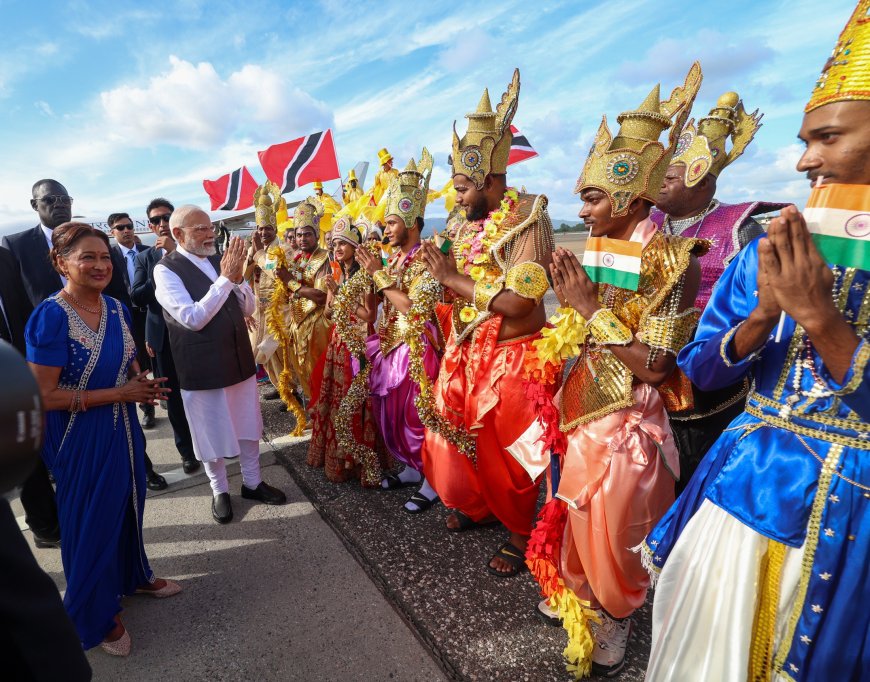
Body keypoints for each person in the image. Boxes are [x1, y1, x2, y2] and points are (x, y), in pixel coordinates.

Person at [644, 5, 869, 680]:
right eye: (805, 139)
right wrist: (763, 316)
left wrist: (824, 322)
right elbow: (699, 372)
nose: (805, 159)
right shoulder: (764, 254)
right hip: (744, 487)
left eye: (828, 138)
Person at [524, 64, 704, 678]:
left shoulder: (675, 260)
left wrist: (588, 310)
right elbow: (577, 336)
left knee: (620, 524)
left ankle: (617, 615)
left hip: (630, 419)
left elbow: (654, 368)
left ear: (629, 195)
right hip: (582, 407)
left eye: (593, 196)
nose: (584, 206)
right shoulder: (598, 244)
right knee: (572, 511)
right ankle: (580, 598)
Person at [418, 69, 556, 575]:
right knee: (453, 443)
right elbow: (441, 282)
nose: (455, 199)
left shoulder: (529, 215)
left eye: (461, 188)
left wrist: (451, 279)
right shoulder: (459, 223)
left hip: (513, 360)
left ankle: (522, 532)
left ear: (491, 179)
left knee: (509, 458)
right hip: (464, 351)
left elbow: (521, 303)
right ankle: (481, 509)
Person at [25, 222, 181, 656]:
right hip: (78, 434)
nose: (99, 265)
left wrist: (140, 380)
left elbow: (128, 357)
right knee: (89, 519)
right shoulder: (50, 316)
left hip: (123, 426)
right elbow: (44, 396)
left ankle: (134, 575)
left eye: (105, 257)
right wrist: (121, 393)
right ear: (61, 263)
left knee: (129, 500)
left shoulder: (114, 307)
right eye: (87, 257)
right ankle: (96, 613)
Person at [653, 92, 787, 491]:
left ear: (702, 180)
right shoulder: (649, 222)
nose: (659, 185)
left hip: (710, 376)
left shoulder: (739, 225)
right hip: (649, 366)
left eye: (670, 178)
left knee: (699, 468)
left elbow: (757, 302)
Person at [2, 180, 127, 547]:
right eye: (49, 200)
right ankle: (51, 526)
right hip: (46, 369)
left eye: (64, 199)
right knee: (50, 463)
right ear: (33, 204)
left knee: (118, 477)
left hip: (102, 363)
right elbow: (18, 311)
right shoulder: (15, 247)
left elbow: (114, 295)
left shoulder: (98, 241)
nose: (59, 205)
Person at [153, 206, 286, 523]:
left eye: (210, 227)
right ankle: (219, 490)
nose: (210, 233)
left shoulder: (219, 260)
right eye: (200, 229)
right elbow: (192, 318)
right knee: (209, 432)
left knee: (248, 424)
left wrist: (238, 281)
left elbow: (249, 308)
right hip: (201, 365)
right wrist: (226, 278)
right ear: (178, 234)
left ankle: (253, 483)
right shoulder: (166, 270)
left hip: (238, 357)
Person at [356, 151, 443, 511]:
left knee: (418, 418)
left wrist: (377, 274)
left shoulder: (428, 257)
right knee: (391, 414)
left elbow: (414, 308)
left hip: (417, 349)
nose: (386, 229)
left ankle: (434, 481)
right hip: (392, 344)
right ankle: (410, 469)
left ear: (413, 220)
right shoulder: (394, 259)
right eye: (386, 223)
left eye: (392, 222)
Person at [307, 215, 386, 484]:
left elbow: (369, 316)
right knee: (337, 399)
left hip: (360, 344)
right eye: (334, 244)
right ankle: (340, 459)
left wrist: (340, 295)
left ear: (355, 245)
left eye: (343, 243)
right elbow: (329, 313)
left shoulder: (366, 275)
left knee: (357, 401)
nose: (337, 248)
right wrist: (332, 294)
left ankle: (361, 461)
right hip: (338, 342)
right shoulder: (336, 272)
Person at [132, 198, 200, 475]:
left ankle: (211, 443)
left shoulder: (194, 253)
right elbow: (137, 297)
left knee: (202, 391)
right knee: (173, 398)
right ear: (150, 226)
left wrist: (176, 256)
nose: (161, 224)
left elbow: (201, 289)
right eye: (156, 220)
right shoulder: (144, 258)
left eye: (166, 218)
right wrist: (159, 267)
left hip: (194, 334)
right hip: (162, 339)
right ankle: (187, 452)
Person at [275, 198, 332, 400]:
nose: (302, 239)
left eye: (307, 234)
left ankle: (325, 417)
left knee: (320, 373)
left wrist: (290, 282)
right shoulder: (297, 259)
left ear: (317, 235)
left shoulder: (324, 258)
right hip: (297, 325)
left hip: (318, 325)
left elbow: (320, 295)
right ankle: (315, 414)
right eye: (299, 234)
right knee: (303, 373)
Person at [244, 182, 294, 400]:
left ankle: (295, 395)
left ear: (274, 228)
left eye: (267, 228)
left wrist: (259, 256)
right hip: (258, 313)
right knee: (267, 360)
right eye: (260, 228)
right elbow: (242, 277)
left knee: (283, 358)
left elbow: (278, 273)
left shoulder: (285, 250)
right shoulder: (254, 250)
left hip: (281, 313)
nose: (263, 232)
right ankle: (286, 394)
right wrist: (251, 255)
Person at [110, 213, 157, 430]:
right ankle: (147, 407)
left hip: (152, 313)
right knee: (138, 363)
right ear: (113, 232)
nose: (127, 230)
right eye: (121, 227)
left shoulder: (150, 251)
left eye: (129, 226)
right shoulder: (108, 256)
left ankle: (165, 394)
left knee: (158, 356)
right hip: (126, 317)